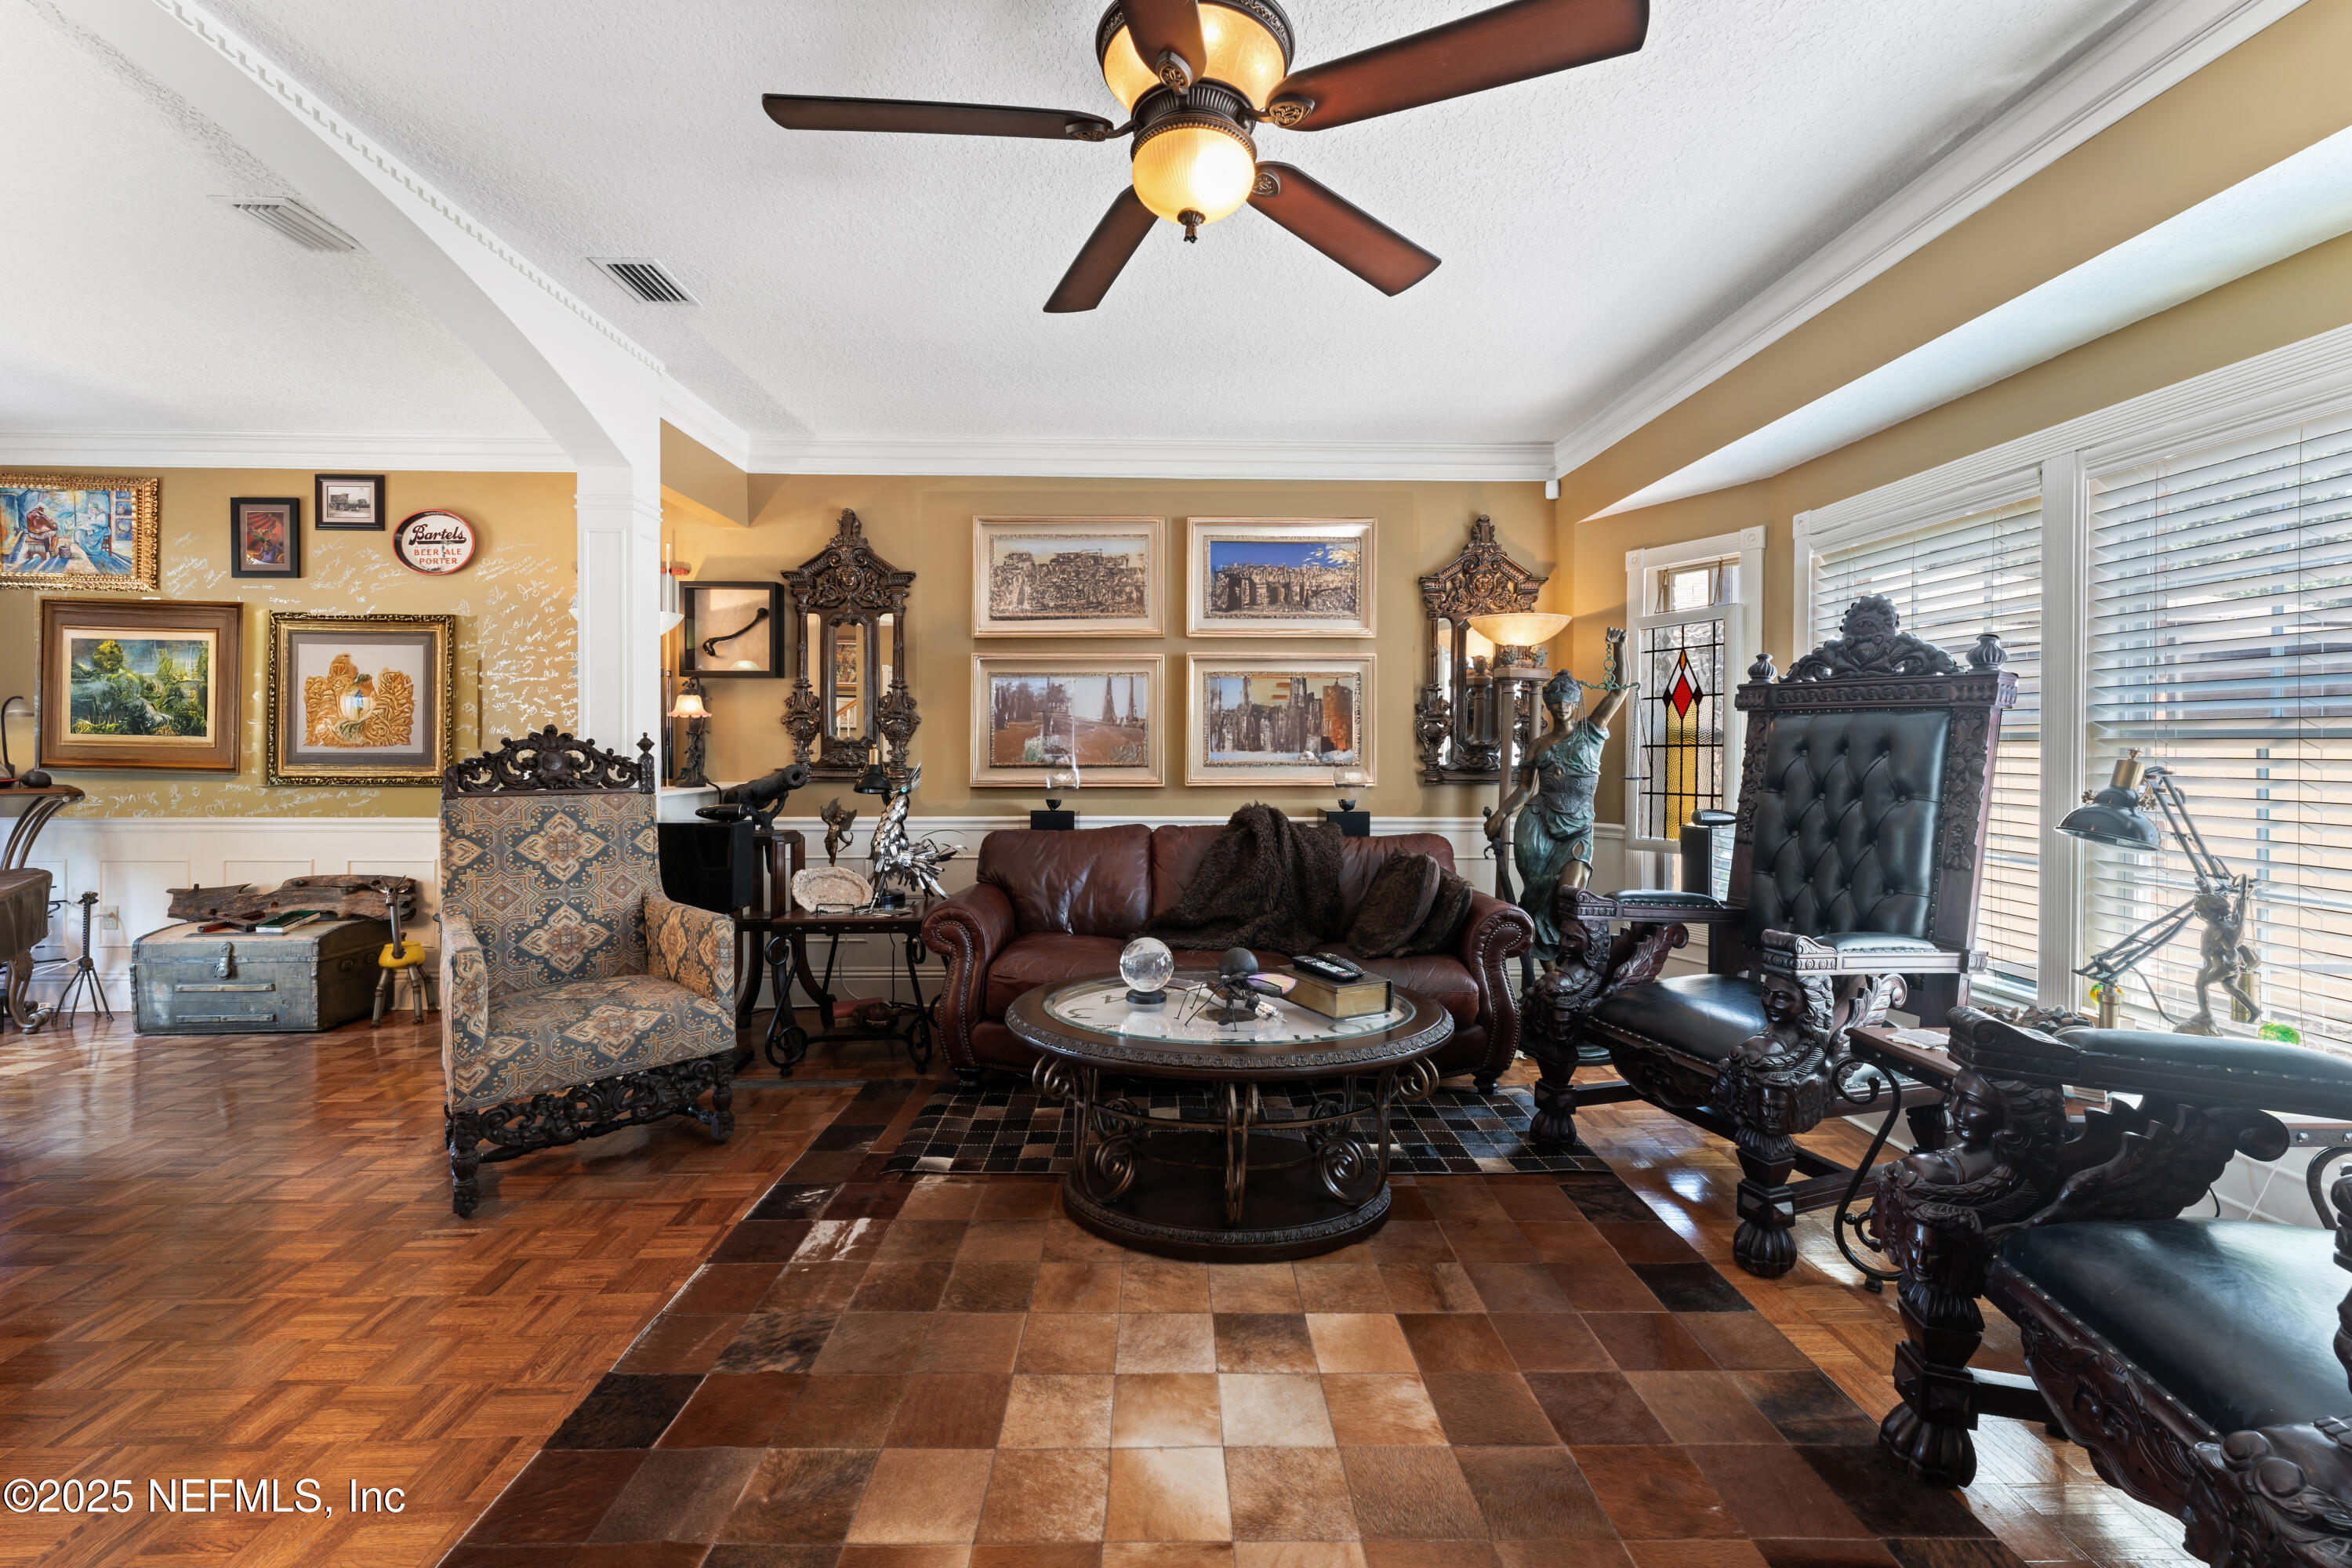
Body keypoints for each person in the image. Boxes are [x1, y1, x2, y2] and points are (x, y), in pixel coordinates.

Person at [1509, 628, 1633, 961]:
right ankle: (1553, 976)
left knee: (1570, 895)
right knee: (1536, 896)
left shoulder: (1591, 733)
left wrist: (1620, 647)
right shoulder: (1537, 745)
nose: (1561, 707)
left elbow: (1619, 691)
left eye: (1567, 701)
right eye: (1555, 703)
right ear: (1548, 706)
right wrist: (1499, 816)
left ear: (1576, 702)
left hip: (1578, 829)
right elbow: (1524, 789)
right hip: (1538, 828)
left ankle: (1576, 964)